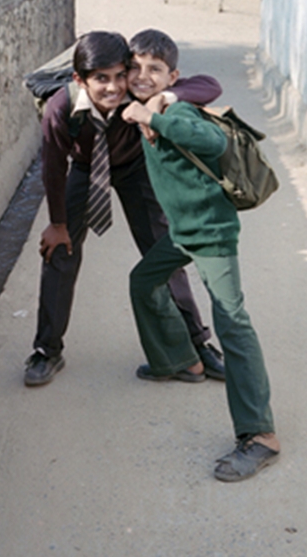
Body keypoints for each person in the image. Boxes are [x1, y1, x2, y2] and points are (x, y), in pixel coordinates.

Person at [122, 28, 279, 482]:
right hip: (183, 233)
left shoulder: (176, 110)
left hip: (211, 234)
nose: (142, 76)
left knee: (233, 322)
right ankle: (179, 360)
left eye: (155, 70)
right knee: (143, 281)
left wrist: (156, 113)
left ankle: (261, 436)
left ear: (171, 76)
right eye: (136, 68)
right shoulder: (143, 106)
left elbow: (214, 144)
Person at [25, 30, 225, 387]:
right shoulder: (61, 107)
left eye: (121, 75)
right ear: (80, 80)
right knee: (60, 252)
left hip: (135, 169)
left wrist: (165, 96)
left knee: (162, 249)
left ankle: (197, 343)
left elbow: (209, 86)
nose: (114, 88)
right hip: (86, 170)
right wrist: (57, 222)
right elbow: (54, 166)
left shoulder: (135, 87)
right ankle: (47, 350)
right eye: (101, 79)